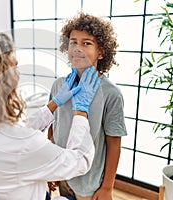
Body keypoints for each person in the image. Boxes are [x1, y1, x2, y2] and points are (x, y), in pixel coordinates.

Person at [0, 31, 101, 200]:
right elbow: (80, 161)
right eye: (12, 65)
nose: (18, 67)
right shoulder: (22, 145)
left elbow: (13, 139)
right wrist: (81, 109)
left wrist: (54, 104)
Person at [48, 12, 127, 200]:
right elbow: (53, 127)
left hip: (90, 184)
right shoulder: (60, 86)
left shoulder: (110, 93)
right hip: (63, 175)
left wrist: (107, 187)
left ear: (101, 52)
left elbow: (114, 142)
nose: (77, 48)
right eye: (73, 42)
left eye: (87, 43)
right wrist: (51, 167)